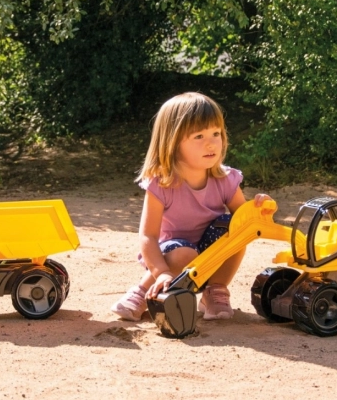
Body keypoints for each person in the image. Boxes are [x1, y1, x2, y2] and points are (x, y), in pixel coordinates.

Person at [111, 92, 272, 322]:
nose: (211, 143)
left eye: (216, 133)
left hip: (213, 255)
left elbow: (246, 220)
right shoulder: (161, 184)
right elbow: (148, 236)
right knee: (185, 252)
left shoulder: (225, 179)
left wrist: (259, 209)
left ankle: (215, 290)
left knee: (236, 228)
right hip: (172, 257)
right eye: (199, 136)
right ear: (173, 142)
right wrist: (161, 272)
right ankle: (143, 291)